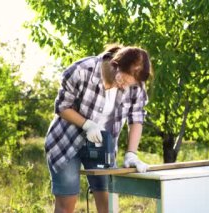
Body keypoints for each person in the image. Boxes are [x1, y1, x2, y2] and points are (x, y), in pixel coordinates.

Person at [45, 43, 153, 213]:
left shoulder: (135, 85)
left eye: (129, 84)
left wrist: (131, 154)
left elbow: (137, 118)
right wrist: (87, 125)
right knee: (67, 205)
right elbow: (61, 107)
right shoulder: (81, 70)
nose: (125, 87)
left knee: (108, 205)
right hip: (65, 142)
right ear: (115, 65)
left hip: (102, 146)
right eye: (123, 80)